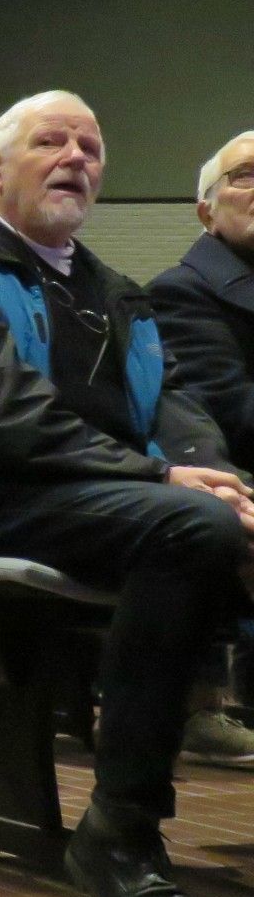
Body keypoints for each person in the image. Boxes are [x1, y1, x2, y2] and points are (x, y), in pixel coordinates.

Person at [0, 91, 254, 897]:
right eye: (52, 140)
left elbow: (177, 400)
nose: (78, 155)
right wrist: (160, 475)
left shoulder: (110, 288)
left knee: (224, 517)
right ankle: (119, 833)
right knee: (192, 530)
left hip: (96, 499)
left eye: (91, 144)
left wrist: (216, 475)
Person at [150, 129, 254, 766]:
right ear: (205, 211)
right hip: (224, 477)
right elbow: (233, 418)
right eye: (244, 176)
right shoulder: (182, 291)